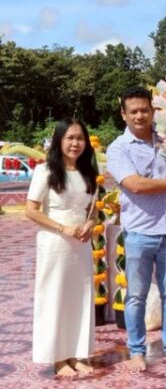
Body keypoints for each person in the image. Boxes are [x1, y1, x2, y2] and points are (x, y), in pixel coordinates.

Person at [107, 86, 166, 371]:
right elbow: (134, 184)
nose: (140, 116)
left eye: (144, 110)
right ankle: (136, 350)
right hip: (138, 233)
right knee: (136, 296)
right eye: (133, 111)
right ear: (123, 114)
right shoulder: (118, 148)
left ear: (152, 111)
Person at [25, 118, 97, 377]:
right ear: (59, 140)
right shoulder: (45, 171)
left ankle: (76, 353)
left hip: (81, 245)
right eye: (70, 138)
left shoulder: (88, 172)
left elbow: (92, 209)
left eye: (80, 138)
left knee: (79, 298)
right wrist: (61, 228)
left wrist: (90, 224)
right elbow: (31, 210)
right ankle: (57, 357)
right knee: (55, 297)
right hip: (55, 244)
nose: (76, 143)